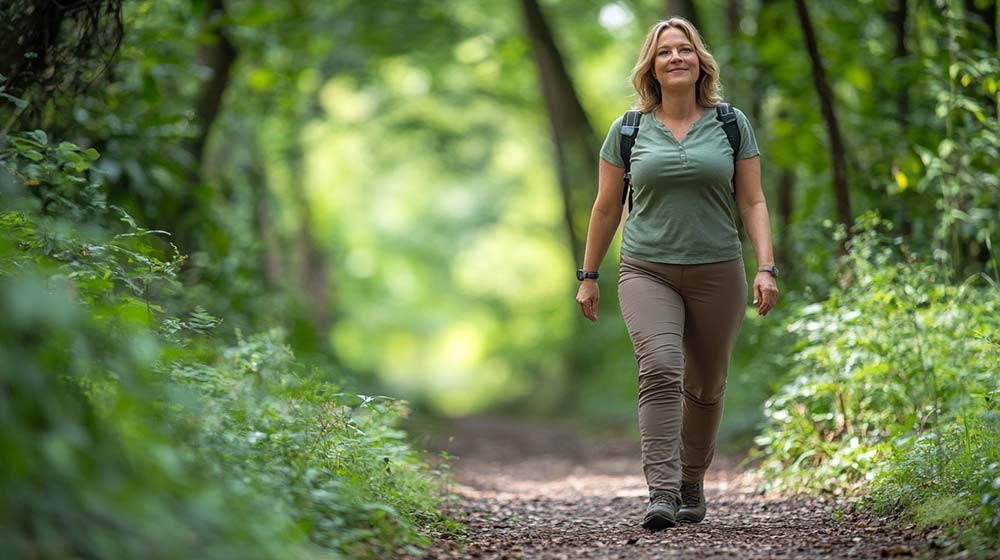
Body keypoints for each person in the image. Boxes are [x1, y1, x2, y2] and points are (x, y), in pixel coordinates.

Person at [574, 17, 779, 531]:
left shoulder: (731, 124)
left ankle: (692, 481)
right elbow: (604, 208)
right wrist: (588, 274)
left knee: (707, 385)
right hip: (647, 270)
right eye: (664, 52)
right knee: (661, 367)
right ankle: (662, 492)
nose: (676, 58)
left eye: (684, 49)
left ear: (700, 61)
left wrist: (766, 266)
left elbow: (752, 201)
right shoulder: (629, 129)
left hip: (718, 270)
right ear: (652, 67)